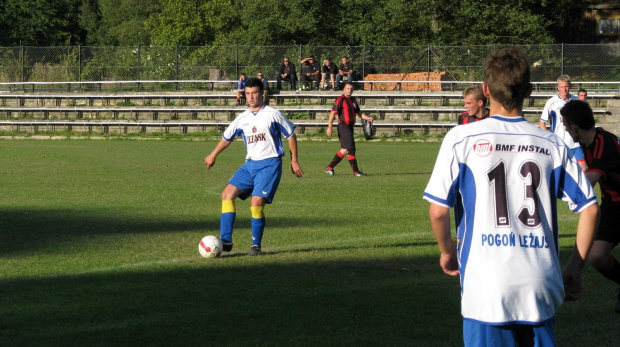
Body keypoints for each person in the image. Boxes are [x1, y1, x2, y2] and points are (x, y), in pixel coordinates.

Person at [423, 46, 599, 346]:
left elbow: (438, 211)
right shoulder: (552, 144)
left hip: (484, 283)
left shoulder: (461, 139)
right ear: (530, 91)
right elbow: (590, 208)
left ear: (485, 89)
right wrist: (574, 269)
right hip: (540, 280)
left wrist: (447, 251)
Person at [204, 78, 304, 256]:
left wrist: (294, 160)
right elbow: (227, 138)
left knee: (256, 202)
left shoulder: (273, 114)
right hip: (250, 164)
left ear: (261, 93)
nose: (251, 97)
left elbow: (291, 135)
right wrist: (213, 154)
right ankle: (225, 241)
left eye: (254, 93)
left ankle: (255, 246)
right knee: (227, 194)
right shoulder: (242, 118)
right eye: (247, 93)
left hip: (270, 163)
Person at [561, 99, 620, 313]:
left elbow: (588, 181)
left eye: (566, 126)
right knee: (596, 255)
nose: (566, 130)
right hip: (613, 206)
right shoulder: (586, 144)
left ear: (574, 127)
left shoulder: (606, 143)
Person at [538, 75, 587, 171]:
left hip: (575, 143)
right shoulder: (551, 102)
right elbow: (542, 123)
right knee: (561, 171)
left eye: (566, 86)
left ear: (570, 86)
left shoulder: (576, 101)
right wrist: (550, 138)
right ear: (558, 87)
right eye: (562, 86)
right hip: (559, 143)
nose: (564, 89)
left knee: (583, 169)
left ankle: (580, 186)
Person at [324, 82, 373, 177]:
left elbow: (359, 112)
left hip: (350, 127)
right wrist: (329, 127)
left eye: (351, 88)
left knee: (346, 149)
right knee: (350, 149)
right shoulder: (340, 100)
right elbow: (332, 114)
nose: (349, 90)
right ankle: (356, 172)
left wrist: (367, 118)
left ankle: (329, 168)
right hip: (343, 126)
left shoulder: (354, 101)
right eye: (347, 88)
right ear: (344, 89)